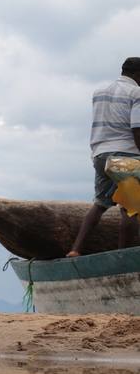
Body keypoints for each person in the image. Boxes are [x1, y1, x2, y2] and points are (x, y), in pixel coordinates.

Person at [69, 58, 140, 257]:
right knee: (131, 207)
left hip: (101, 154)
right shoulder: (136, 93)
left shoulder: (99, 92)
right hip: (126, 156)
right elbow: (137, 130)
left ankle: (75, 249)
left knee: (100, 204)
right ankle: (122, 256)